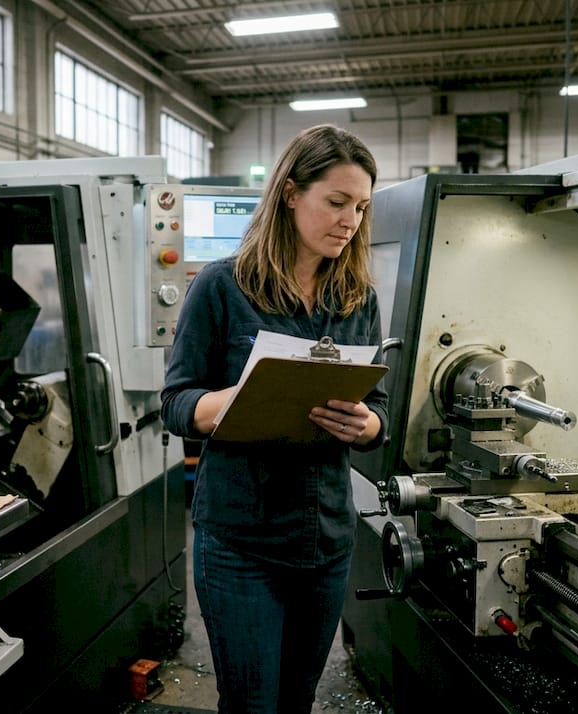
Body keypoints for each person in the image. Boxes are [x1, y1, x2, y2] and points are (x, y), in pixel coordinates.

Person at [160, 124, 389, 713]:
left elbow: (379, 410)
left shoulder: (357, 297)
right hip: (242, 542)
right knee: (252, 705)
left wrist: (367, 425)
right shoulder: (222, 286)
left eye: (361, 207)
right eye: (336, 202)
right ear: (290, 194)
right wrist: (240, 398)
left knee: (296, 701)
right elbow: (176, 403)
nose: (350, 221)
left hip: (327, 540)